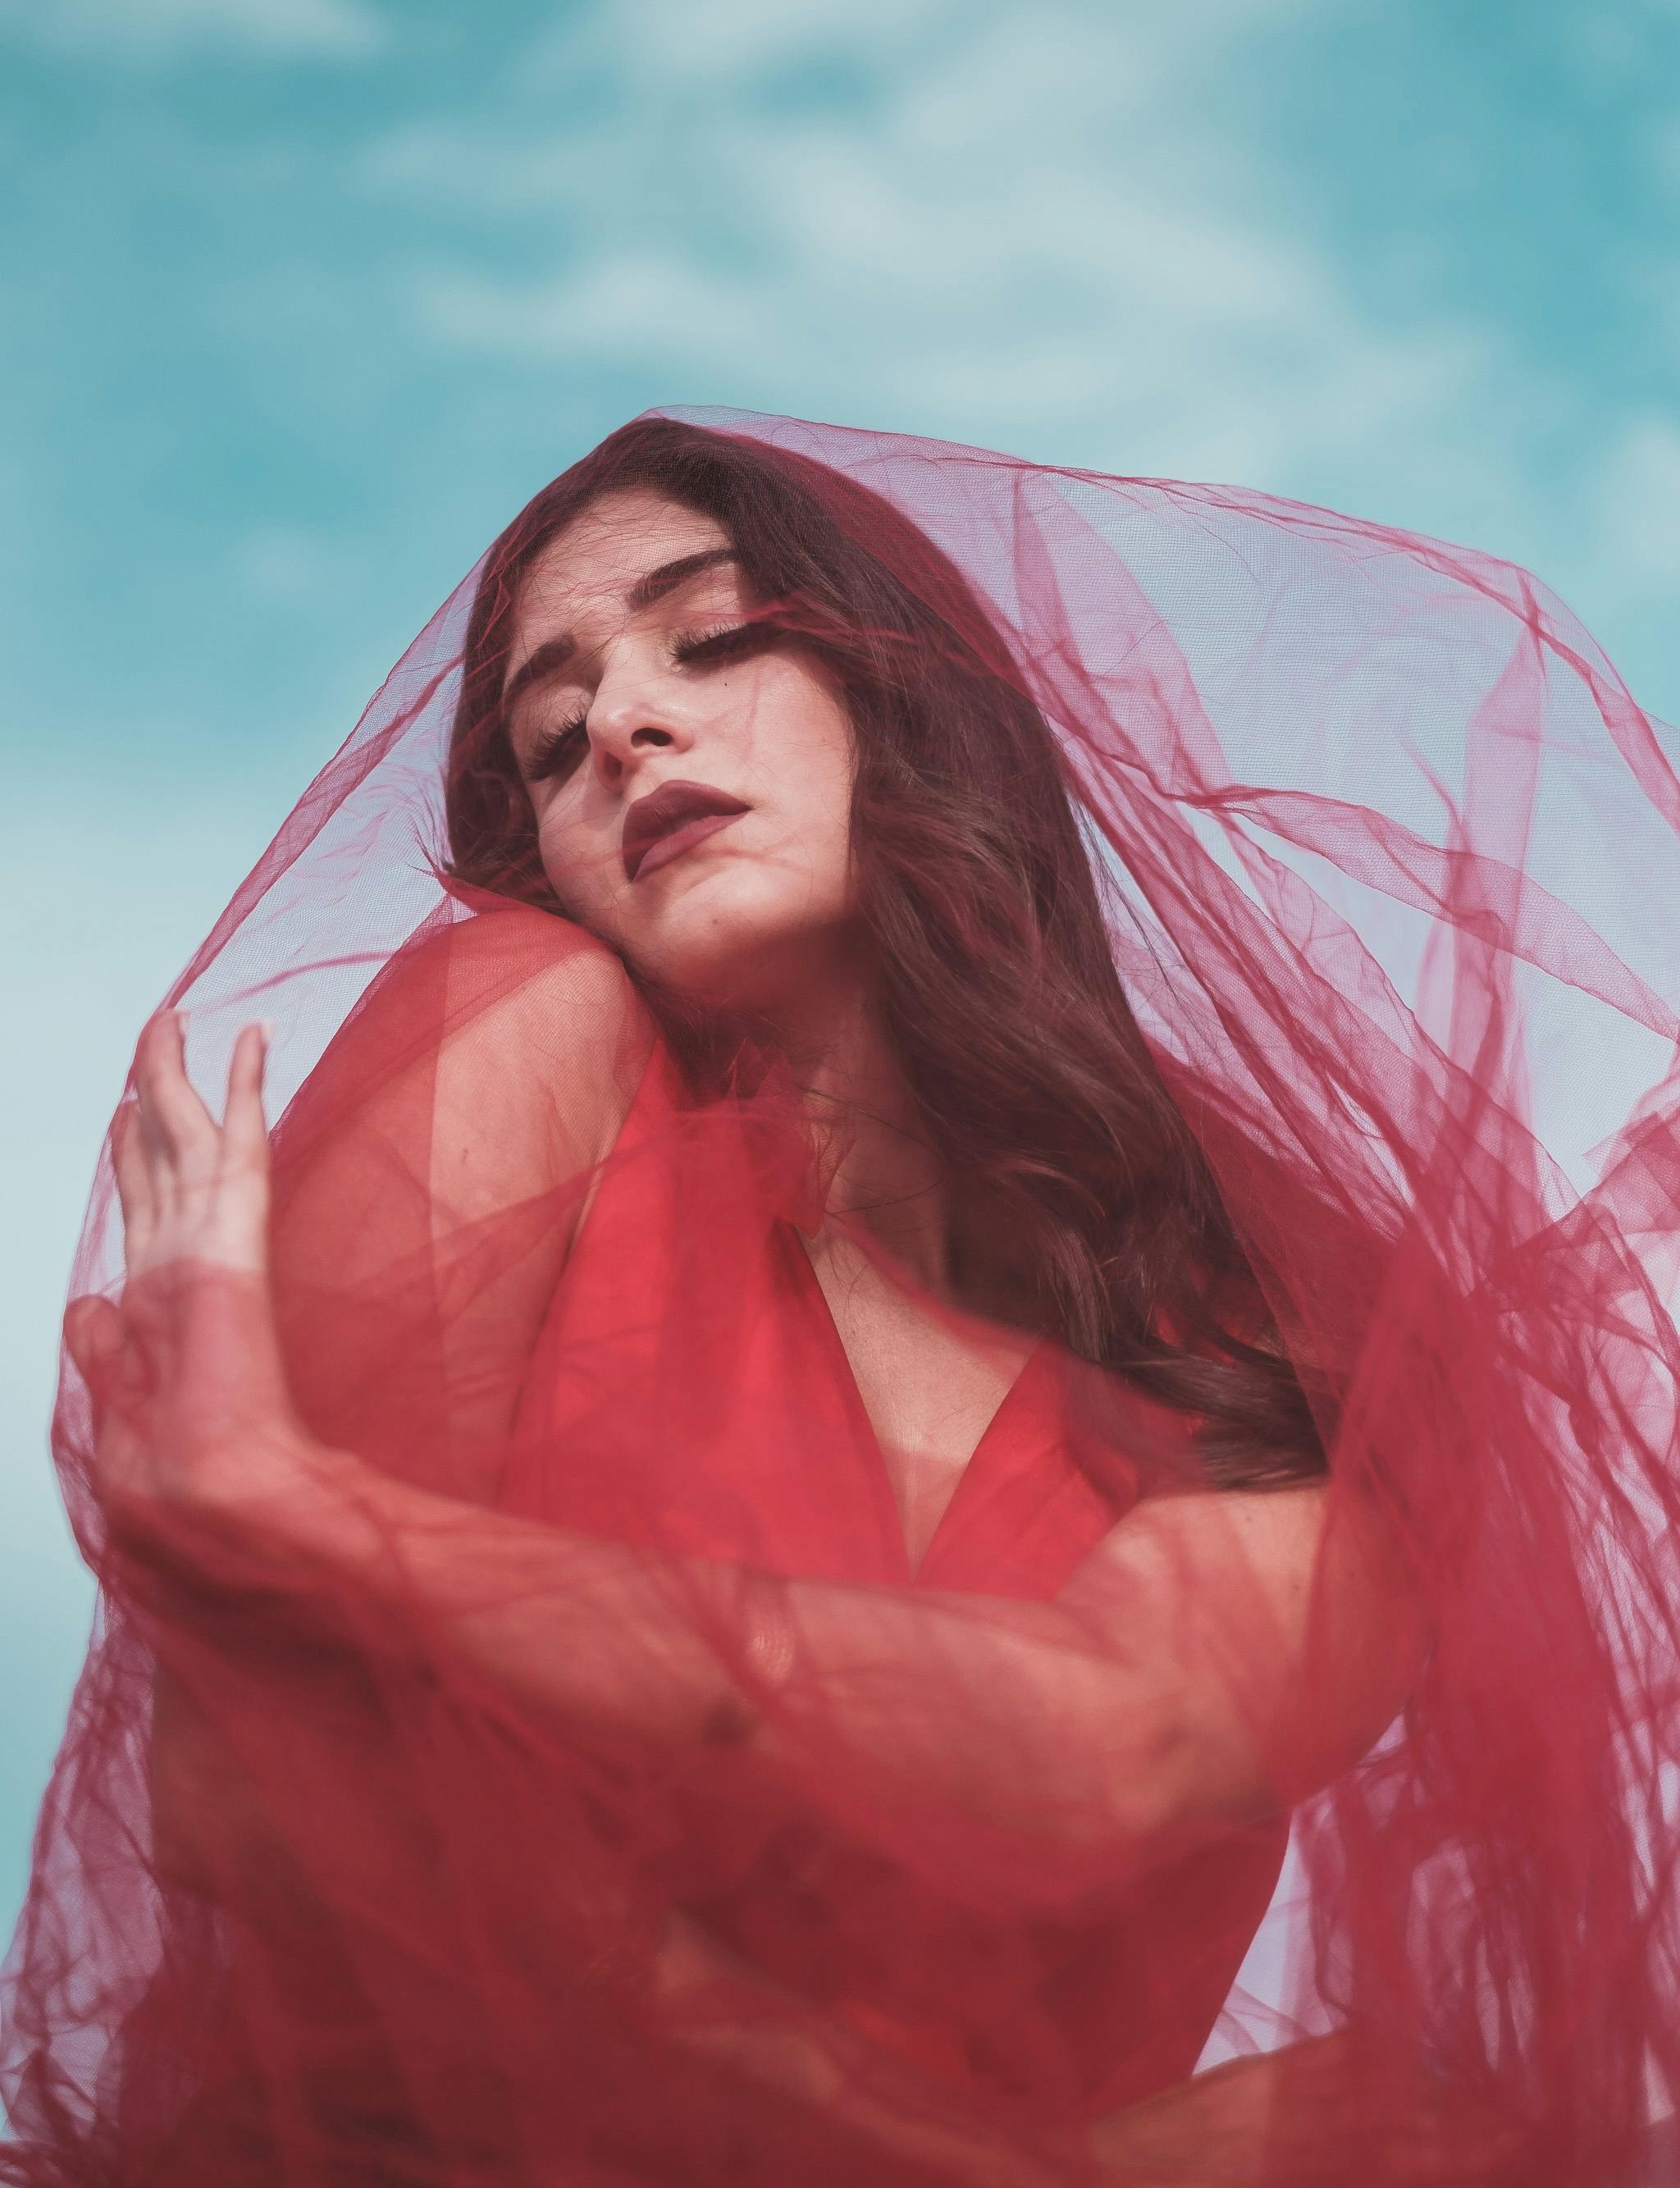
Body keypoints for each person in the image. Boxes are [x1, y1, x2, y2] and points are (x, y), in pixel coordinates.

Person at [3, 413, 1677, 2185]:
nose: (626, 729)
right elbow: (252, 1799)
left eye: (711, 640)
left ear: (912, 703)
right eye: (551, 740)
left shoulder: (1257, 1343)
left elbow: (1122, 1731)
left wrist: (309, 1518)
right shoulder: (523, 1029)